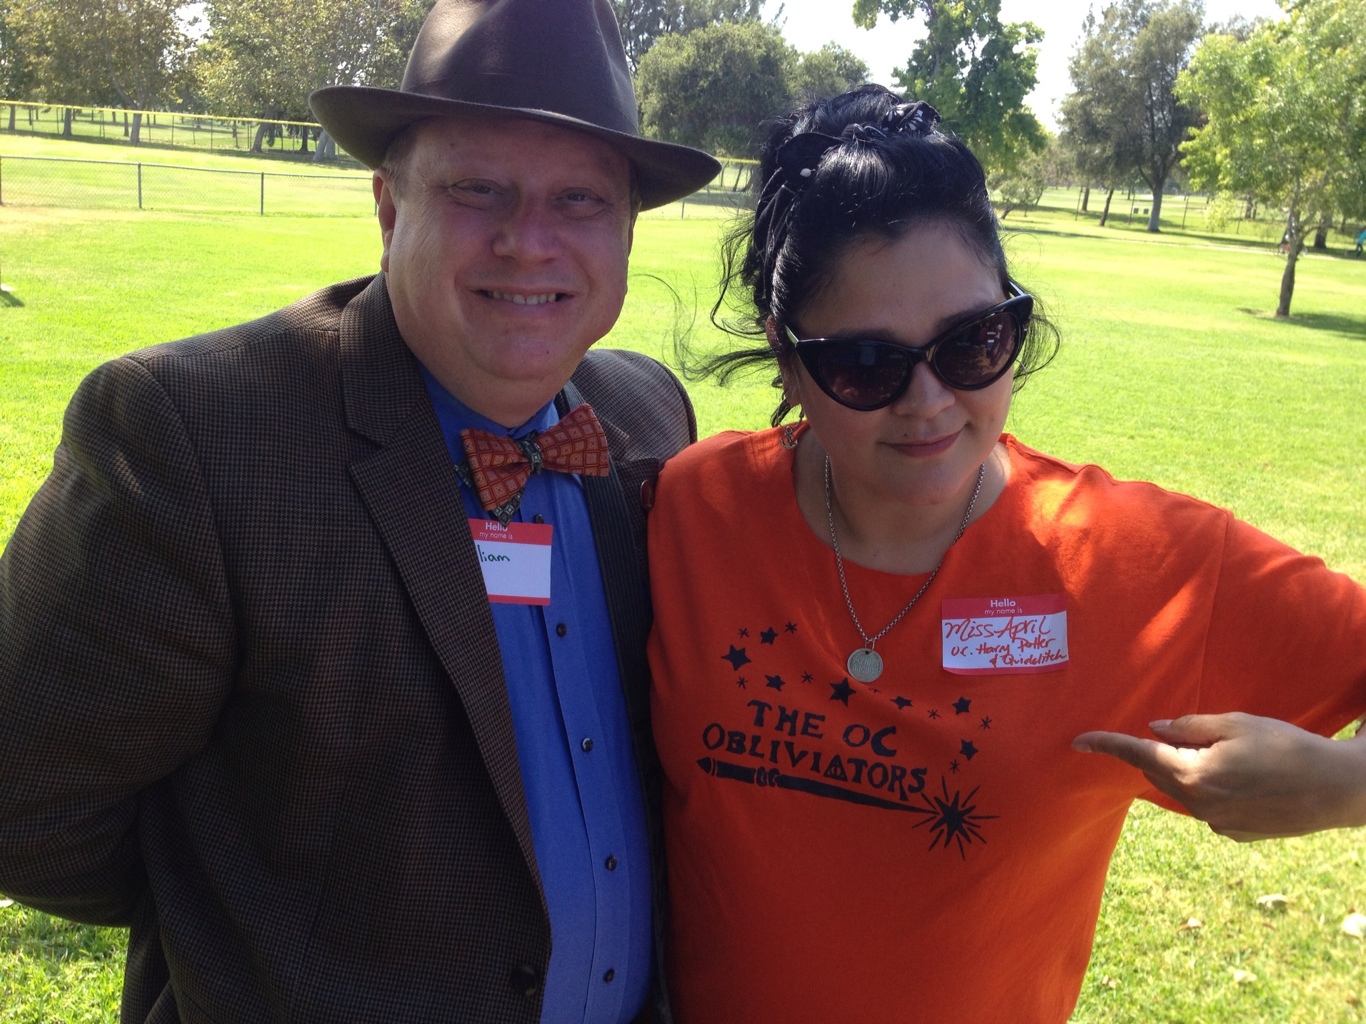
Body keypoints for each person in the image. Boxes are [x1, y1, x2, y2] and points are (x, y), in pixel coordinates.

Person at [0, 2, 718, 1022]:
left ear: (627, 232)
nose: (529, 242)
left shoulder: (648, 415)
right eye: (478, 189)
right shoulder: (196, 432)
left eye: (580, 200)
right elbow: (26, 805)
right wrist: (256, 927)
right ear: (388, 206)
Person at [646, 84, 1366, 1024]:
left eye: (973, 343)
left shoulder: (1133, 560)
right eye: (866, 364)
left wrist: (1344, 786)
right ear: (788, 356)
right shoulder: (693, 507)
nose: (930, 404)